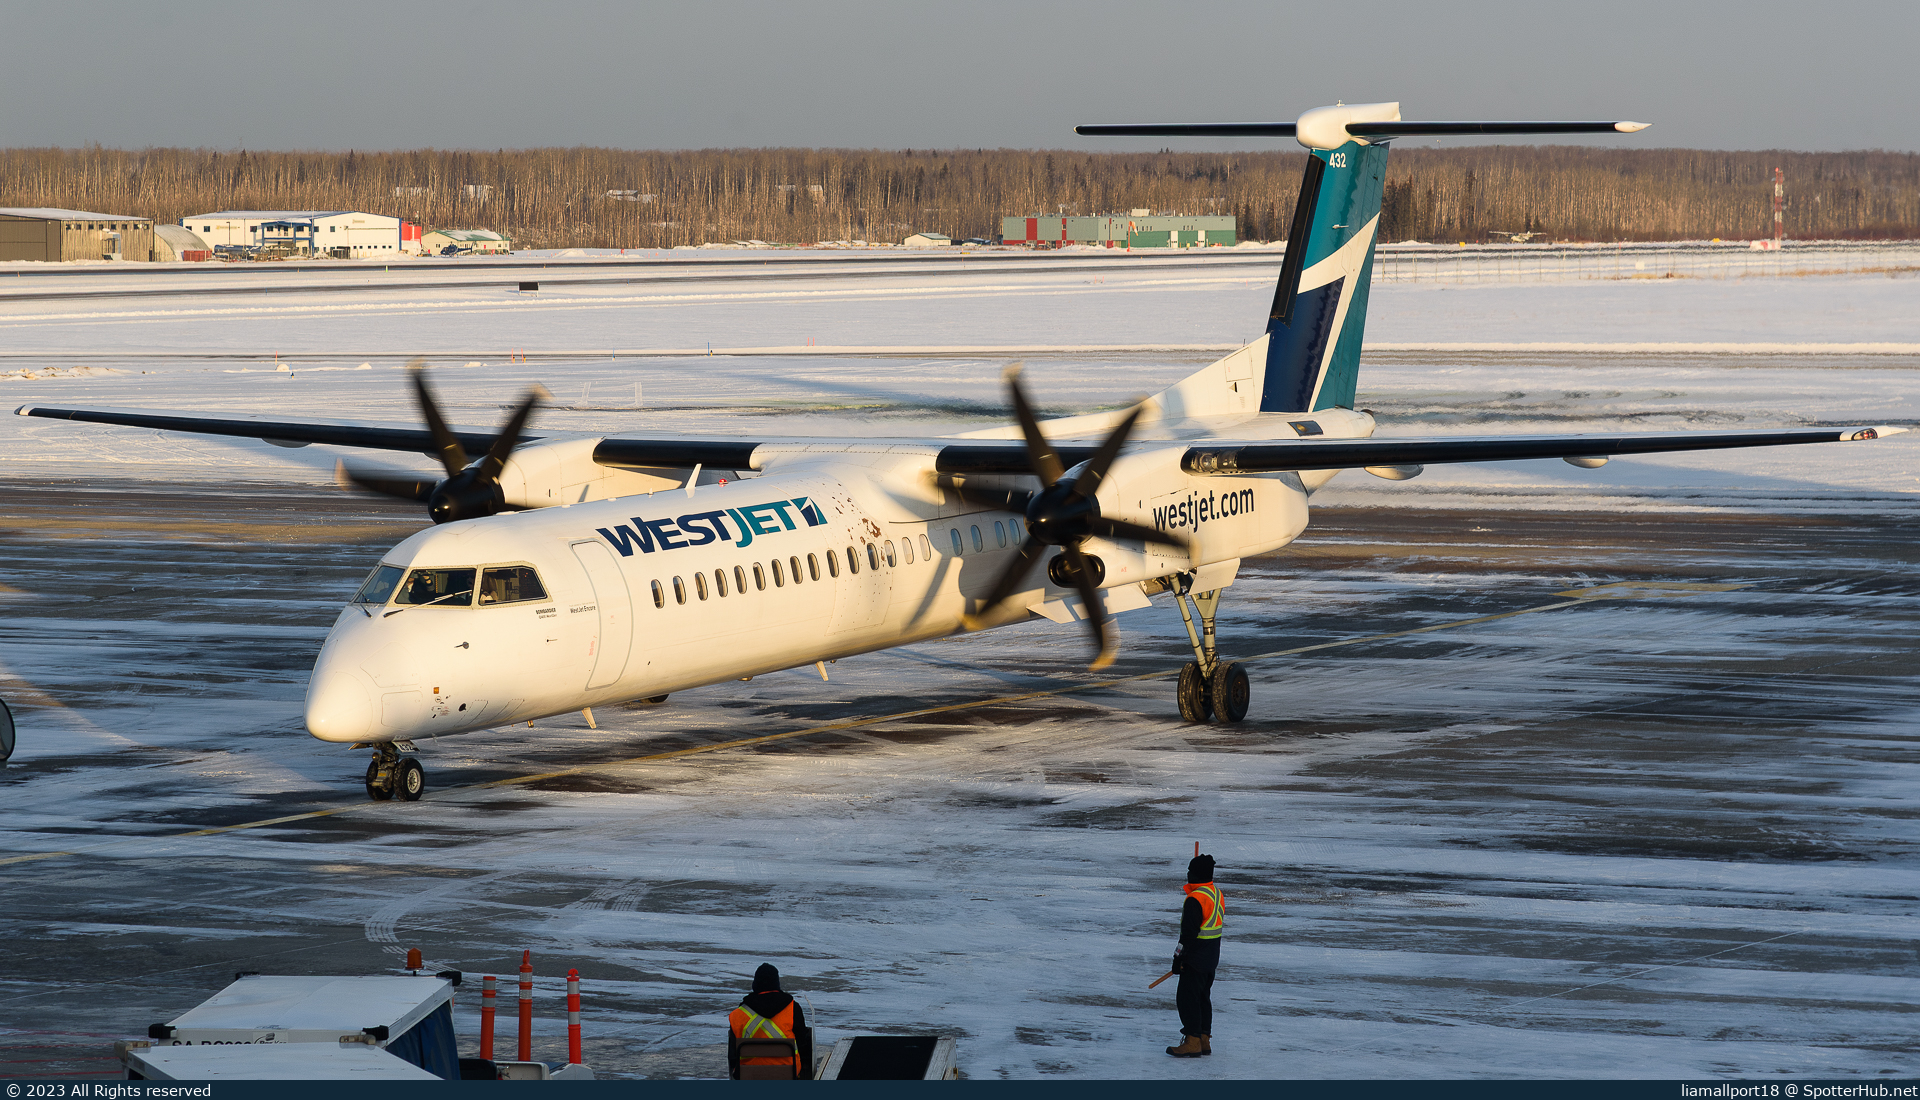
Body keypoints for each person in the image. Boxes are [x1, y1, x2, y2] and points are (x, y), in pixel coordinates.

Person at [1166, 853, 1222, 1057]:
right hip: (1211, 957)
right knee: (1202, 998)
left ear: (1196, 874)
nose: (1187, 874)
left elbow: (1187, 935)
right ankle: (1204, 1039)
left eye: (1190, 871)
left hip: (1196, 958)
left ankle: (1192, 1041)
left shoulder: (1195, 899)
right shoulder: (1215, 893)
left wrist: (1178, 958)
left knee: (1187, 999)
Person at [727, 963, 812, 1080]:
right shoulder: (793, 1009)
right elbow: (802, 1044)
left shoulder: (738, 1015)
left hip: (749, 1076)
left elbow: (733, 1056)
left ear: (755, 984)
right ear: (777, 984)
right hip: (787, 1075)